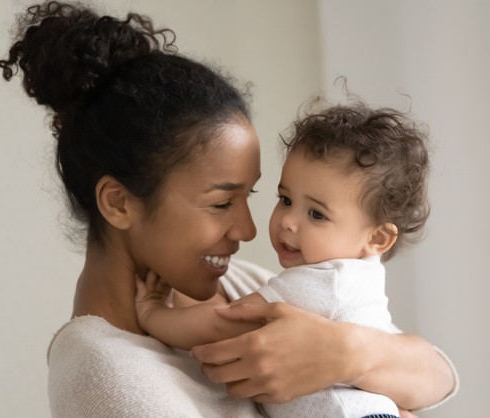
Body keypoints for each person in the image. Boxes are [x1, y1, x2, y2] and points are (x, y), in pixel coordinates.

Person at [0, 2, 457, 417]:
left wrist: (349, 354)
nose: (250, 231)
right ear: (119, 203)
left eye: (250, 197)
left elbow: (440, 378)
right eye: (221, 203)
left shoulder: (246, 283)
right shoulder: (102, 372)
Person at [134, 98, 449, 418]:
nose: (287, 221)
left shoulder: (322, 282)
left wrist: (153, 315)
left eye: (316, 214)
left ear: (377, 238)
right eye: (285, 199)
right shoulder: (358, 281)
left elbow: (219, 325)